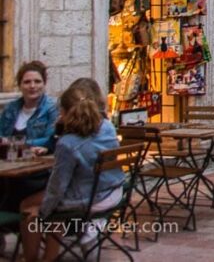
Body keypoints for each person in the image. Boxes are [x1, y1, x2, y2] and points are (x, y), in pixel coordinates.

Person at [19, 80, 124, 262]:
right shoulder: (107, 127)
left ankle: (34, 259)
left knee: (30, 209)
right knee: (47, 206)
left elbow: (57, 187)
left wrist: (43, 211)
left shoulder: (68, 144)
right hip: (113, 191)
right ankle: (49, 256)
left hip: (91, 198)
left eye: (61, 112)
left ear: (67, 113)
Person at [0, 62, 59, 214]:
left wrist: (15, 144)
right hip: (8, 168)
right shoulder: (11, 108)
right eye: (27, 82)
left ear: (44, 83)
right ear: (20, 85)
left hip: (37, 171)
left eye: (37, 81)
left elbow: (50, 138)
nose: (32, 86)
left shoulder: (52, 108)